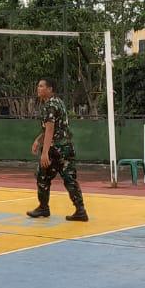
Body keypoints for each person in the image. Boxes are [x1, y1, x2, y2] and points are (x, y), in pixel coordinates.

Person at [27, 78, 87, 222]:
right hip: (66, 147)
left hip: (57, 150)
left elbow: (50, 129)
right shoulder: (58, 102)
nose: (38, 88)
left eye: (41, 86)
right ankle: (79, 210)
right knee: (66, 178)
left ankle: (44, 207)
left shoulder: (50, 105)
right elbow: (54, 128)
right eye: (38, 86)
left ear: (50, 89)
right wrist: (38, 140)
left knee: (44, 176)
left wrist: (45, 152)